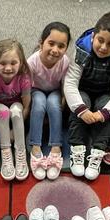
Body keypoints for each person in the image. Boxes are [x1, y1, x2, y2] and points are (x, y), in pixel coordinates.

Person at [64, 12, 110, 180]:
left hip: (103, 94)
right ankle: (77, 148)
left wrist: (104, 113)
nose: (104, 47)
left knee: (108, 107)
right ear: (93, 36)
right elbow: (70, 82)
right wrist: (81, 109)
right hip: (83, 91)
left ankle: (98, 151)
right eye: (100, 40)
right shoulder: (82, 51)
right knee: (80, 101)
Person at [27, 22, 71, 181]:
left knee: (54, 105)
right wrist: (27, 107)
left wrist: (64, 101)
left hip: (54, 90)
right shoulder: (32, 61)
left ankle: (56, 146)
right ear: (41, 43)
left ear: (66, 48)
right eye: (51, 43)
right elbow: (26, 87)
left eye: (61, 46)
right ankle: (36, 147)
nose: (55, 50)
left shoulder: (65, 62)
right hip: (36, 89)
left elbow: (66, 83)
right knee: (39, 105)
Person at [0, 39, 32, 182]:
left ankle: (20, 151)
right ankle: (5, 151)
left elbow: (26, 106)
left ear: (21, 63)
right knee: (4, 111)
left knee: (16, 110)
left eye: (13, 63)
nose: (8, 68)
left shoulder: (23, 78)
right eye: (3, 63)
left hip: (17, 107)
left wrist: (14, 130)